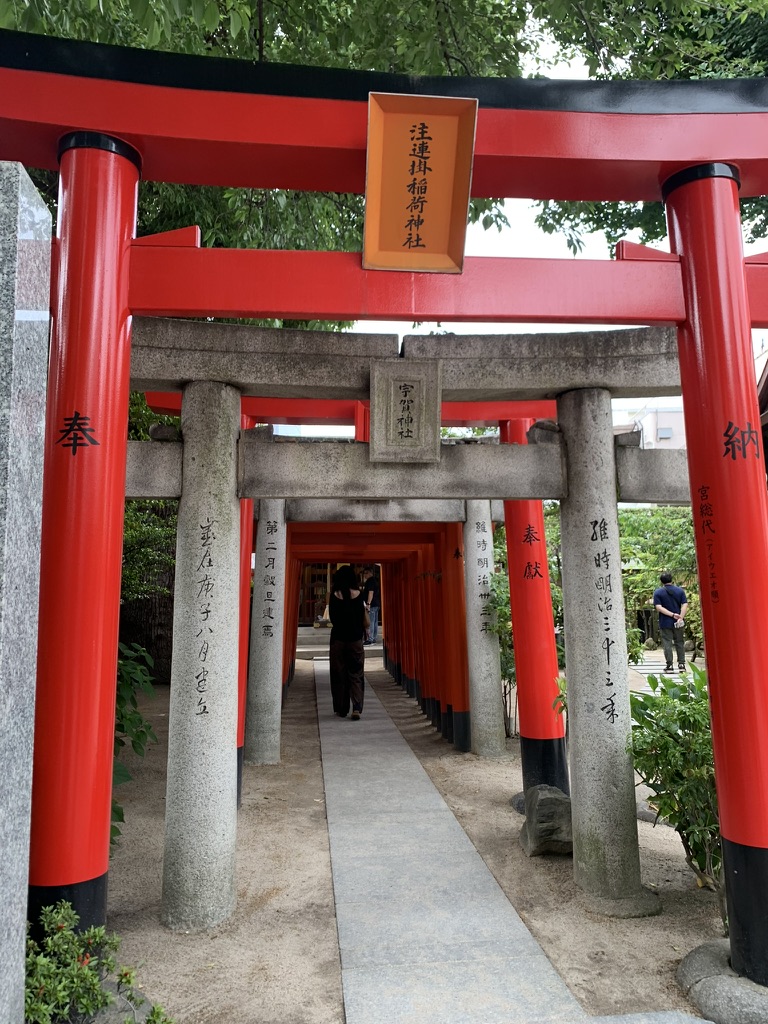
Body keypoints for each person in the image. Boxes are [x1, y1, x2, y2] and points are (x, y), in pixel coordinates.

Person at [329, 564, 366, 720]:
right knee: (356, 673)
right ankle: (356, 707)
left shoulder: (334, 595)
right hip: (355, 639)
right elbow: (362, 617)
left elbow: (332, 618)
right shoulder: (359, 595)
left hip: (338, 639)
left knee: (339, 674)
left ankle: (342, 708)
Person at [653, 571, 689, 673]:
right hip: (678, 622)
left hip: (665, 621)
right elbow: (685, 604)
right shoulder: (680, 591)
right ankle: (681, 664)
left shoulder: (658, 592)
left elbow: (658, 607)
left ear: (661, 581)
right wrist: (680, 617)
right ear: (671, 580)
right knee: (679, 642)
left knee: (667, 643)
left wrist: (672, 615)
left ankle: (669, 666)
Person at [361, 565, 381, 646]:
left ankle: (370, 638)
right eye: (364, 573)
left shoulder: (370, 581)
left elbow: (370, 592)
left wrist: (368, 603)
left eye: (366, 573)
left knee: (371, 621)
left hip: (372, 604)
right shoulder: (374, 581)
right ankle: (374, 638)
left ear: (370, 573)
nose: (365, 575)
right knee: (375, 621)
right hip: (376, 603)